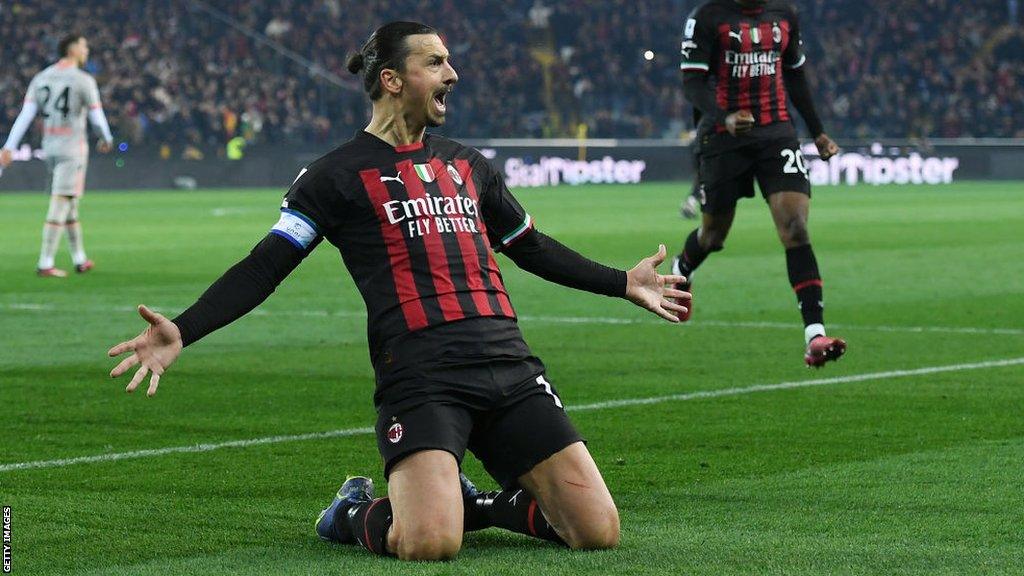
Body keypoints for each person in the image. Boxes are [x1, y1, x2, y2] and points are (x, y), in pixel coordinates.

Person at [107, 22, 690, 561]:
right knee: (428, 544)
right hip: (421, 373)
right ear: (392, 79)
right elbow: (265, 267)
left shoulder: (469, 165)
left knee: (596, 531)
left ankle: (475, 504)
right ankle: (352, 511)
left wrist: (623, 283)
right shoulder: (332, 177)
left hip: (509, 364)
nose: (452, 74)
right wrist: (184, 328)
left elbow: (529, 245)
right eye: (435, 63)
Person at [676, 0, 846, 367]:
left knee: (796, 228)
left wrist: (817, 131)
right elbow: (691, 83)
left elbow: (795, 75)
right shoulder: (707, 17)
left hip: (776, 133)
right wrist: (725, 116)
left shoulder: (785, 15)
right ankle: (680, 271)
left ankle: (814, 335)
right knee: (713, 236)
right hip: (722, 136)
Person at [0, 34, 114, 277]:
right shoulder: (83, 80)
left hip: (50, 147)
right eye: (84, 45)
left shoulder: (41, 78)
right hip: (72, 149)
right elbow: (96, 116)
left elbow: (26, 114)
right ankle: (45, 263)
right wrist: (107, 138)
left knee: (70, 203)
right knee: (61, 202)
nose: (87, 50)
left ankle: (80, 259)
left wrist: (10, 146)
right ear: (72, 49)